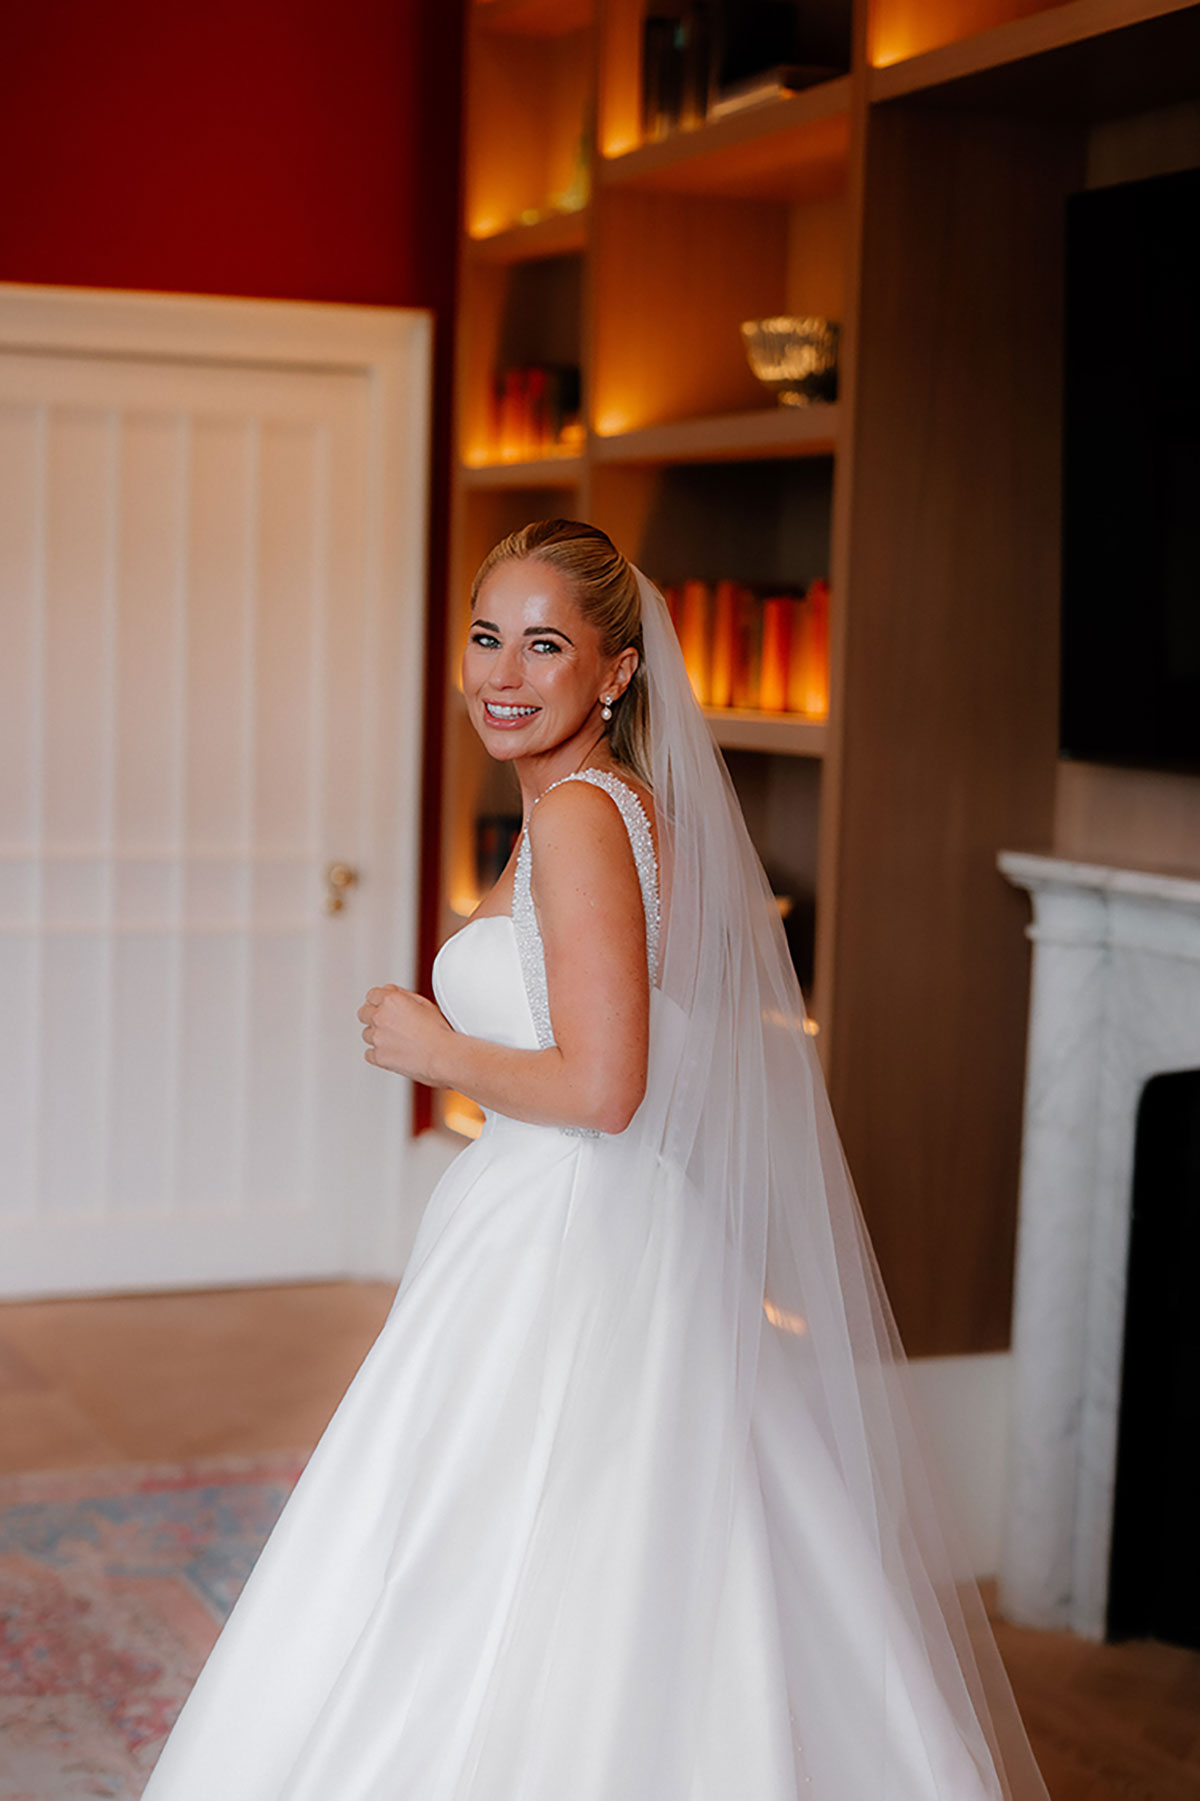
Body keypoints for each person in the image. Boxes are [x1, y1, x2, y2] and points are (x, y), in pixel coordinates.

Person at [141, 519, 1049, 1800]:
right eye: (485, 637)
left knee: (490, 1550)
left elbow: (603, 1088)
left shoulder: (577, 819)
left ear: (616, 674)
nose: (503, 673)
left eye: (545, 644)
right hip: (589, 1228)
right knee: (618, 1552)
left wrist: (434, 1045)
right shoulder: (612, 810)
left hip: (567, 1229)